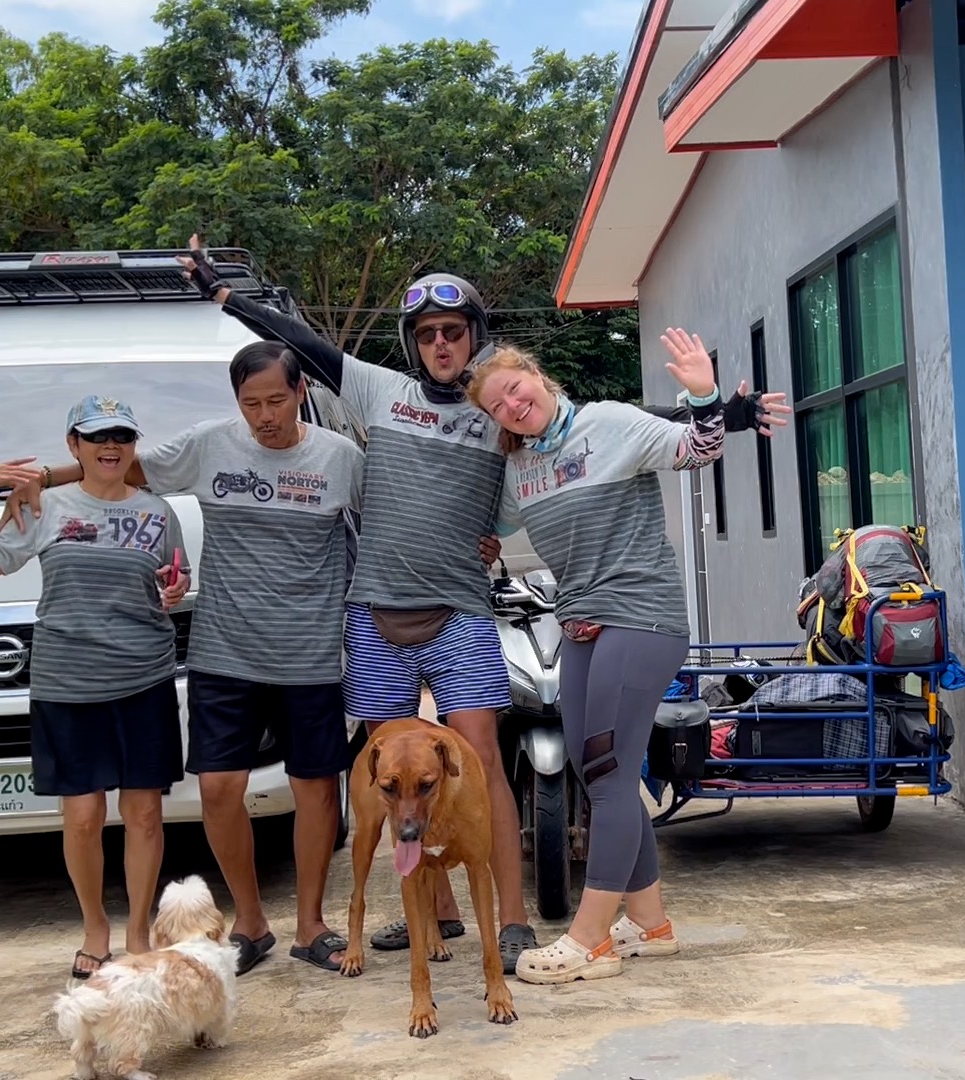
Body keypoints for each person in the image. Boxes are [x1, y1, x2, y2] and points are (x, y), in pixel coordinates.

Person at [176, 238, 791, 972]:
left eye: (453, 331)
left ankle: (512, 919)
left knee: (482, 766)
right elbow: (303, 345)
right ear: (413, 343)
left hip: (462, 613)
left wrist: (729, 411)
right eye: (427, 334)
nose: (440, 343)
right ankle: (435, 914)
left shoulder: (497, 418)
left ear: (474, 337)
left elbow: (601, 425)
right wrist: (227, 298)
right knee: (398, 775)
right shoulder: (377, 391)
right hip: (376, 614)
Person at [14, 344, 365, 974]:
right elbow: (119, 468)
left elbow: (387, 521)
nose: (265, 416)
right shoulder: (208, 445)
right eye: (251, 403)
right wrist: (41, 481)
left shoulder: (340, 458)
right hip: (223, 650)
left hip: (310, 652)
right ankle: (250, 922)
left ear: (302, 391)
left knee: (314, 790)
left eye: (276, 401)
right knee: (219, 789)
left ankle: (311, 924)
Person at [465, 332, 721, 984]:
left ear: (535, 374)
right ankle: (650, 925)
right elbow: (491, 527)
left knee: (606, 771)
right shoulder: (521, 468)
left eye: (514, 389)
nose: (512, 406)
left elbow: (699, 449)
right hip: (579, 622)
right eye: (497, 406)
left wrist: (705, 396)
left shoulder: (609, 423)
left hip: (640, 615)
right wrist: (482, 546)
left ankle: (590, 940)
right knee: (594, 770)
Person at [0, 395, 192, 980]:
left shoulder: (158, 513)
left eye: (122, 436)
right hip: (68, 685)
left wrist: (174, 589)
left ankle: (138, 933)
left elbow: (174, 581)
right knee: (83, 815)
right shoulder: (44, 506)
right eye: (97, 437)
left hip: (143, 679)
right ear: (74, 445)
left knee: (144, 814)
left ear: (133, 445)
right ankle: (95, 928)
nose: (111, 446)